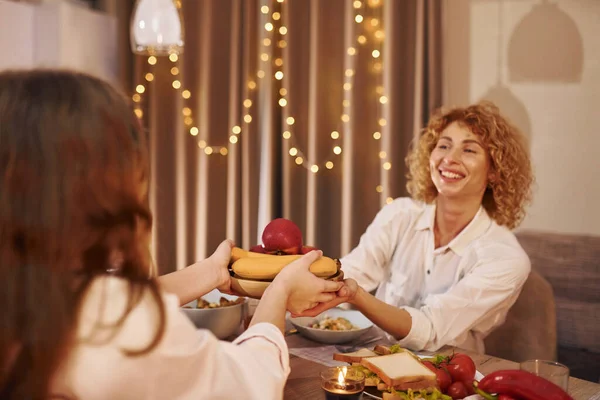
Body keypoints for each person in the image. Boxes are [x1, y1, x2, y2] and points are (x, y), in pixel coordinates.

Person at [0, 69, 343, 400]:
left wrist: (209, 271)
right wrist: (279, 291)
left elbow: (102, 296)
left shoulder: (29, 290)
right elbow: (247, 384)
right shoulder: (122, 329)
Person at [298, 101, 534, 354]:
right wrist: (303, 274)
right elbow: (355, 270)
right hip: (375, 358)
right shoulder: (399, 214)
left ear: (494, 172)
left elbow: (431, 330)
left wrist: (355, 295)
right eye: (443, 145)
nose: (449, 158)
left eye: (469, 150)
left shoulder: (506, 258)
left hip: (448, 375)